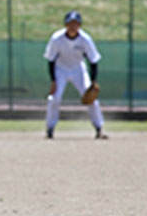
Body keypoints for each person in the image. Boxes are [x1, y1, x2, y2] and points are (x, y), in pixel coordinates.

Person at [44, 10, 107, 140]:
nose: (73, 26)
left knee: (92, 99)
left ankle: (99, 128)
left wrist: (93, 81)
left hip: (79, 69)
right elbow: (50, 60)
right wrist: (53, 81)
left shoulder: (85, 39)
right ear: (65, 25)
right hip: (60, 70)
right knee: (54, 98)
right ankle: (50, 129)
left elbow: (93, 60)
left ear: (80, 25)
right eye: (70, 23)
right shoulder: (57, 38)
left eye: (76, 23)